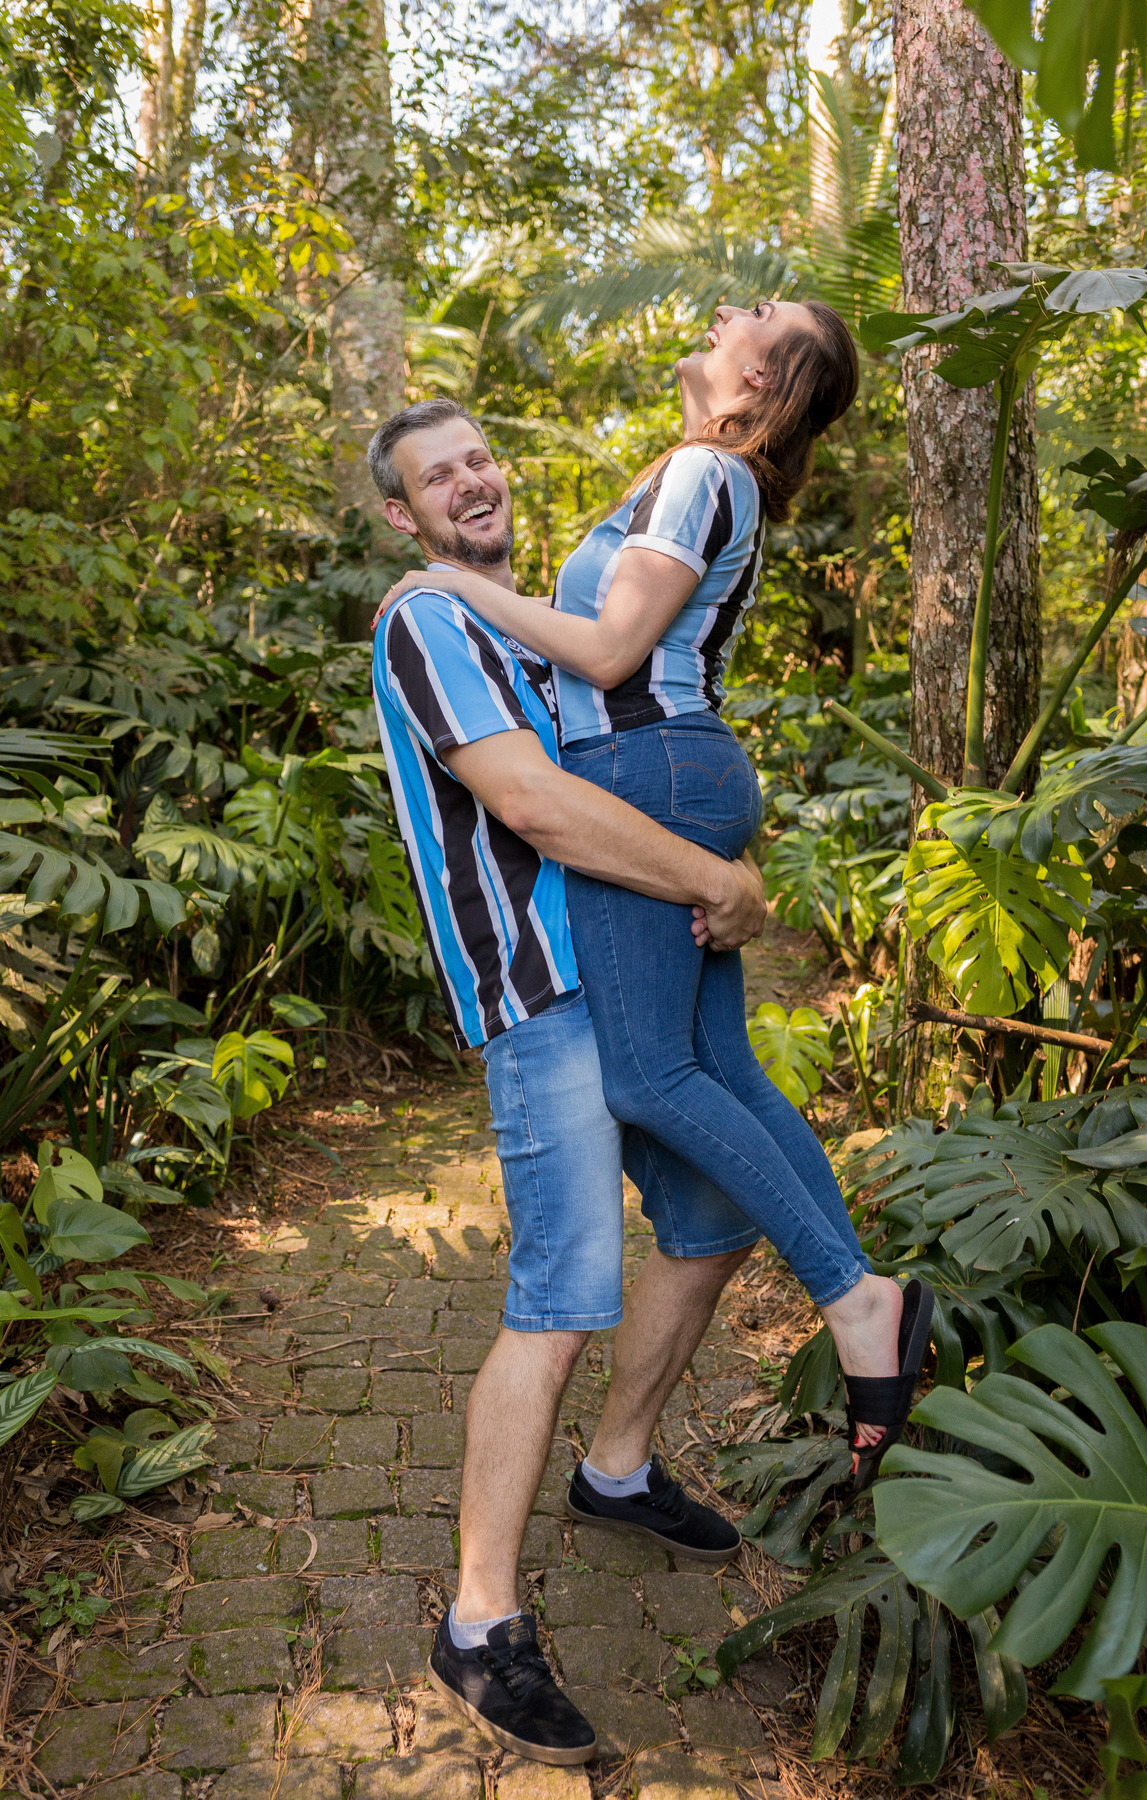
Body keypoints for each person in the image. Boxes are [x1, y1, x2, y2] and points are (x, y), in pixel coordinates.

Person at [381, 305, 934, 1494]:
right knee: (718, 1065)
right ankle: (857, 1299)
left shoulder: (700, 471)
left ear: (762, 379)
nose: (729, 312)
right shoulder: (697, 472)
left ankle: (852, 1299)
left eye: (756, 317)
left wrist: (446, 586)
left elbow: (605, 653)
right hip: (677, 766)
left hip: (650, 766)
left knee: (645, 1076)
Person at [368, 397, 773, 1767]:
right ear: (404, 516)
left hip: (640, 976)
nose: (470, 483)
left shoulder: (533, 617)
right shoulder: (428, 622)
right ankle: (479, 1625)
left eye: (479, 459)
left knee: (716, 1215)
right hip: (545, 997)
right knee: (560, 1295)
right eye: (438, 478)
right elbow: (534, 805)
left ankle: (618, 1469)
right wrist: (715, 878)